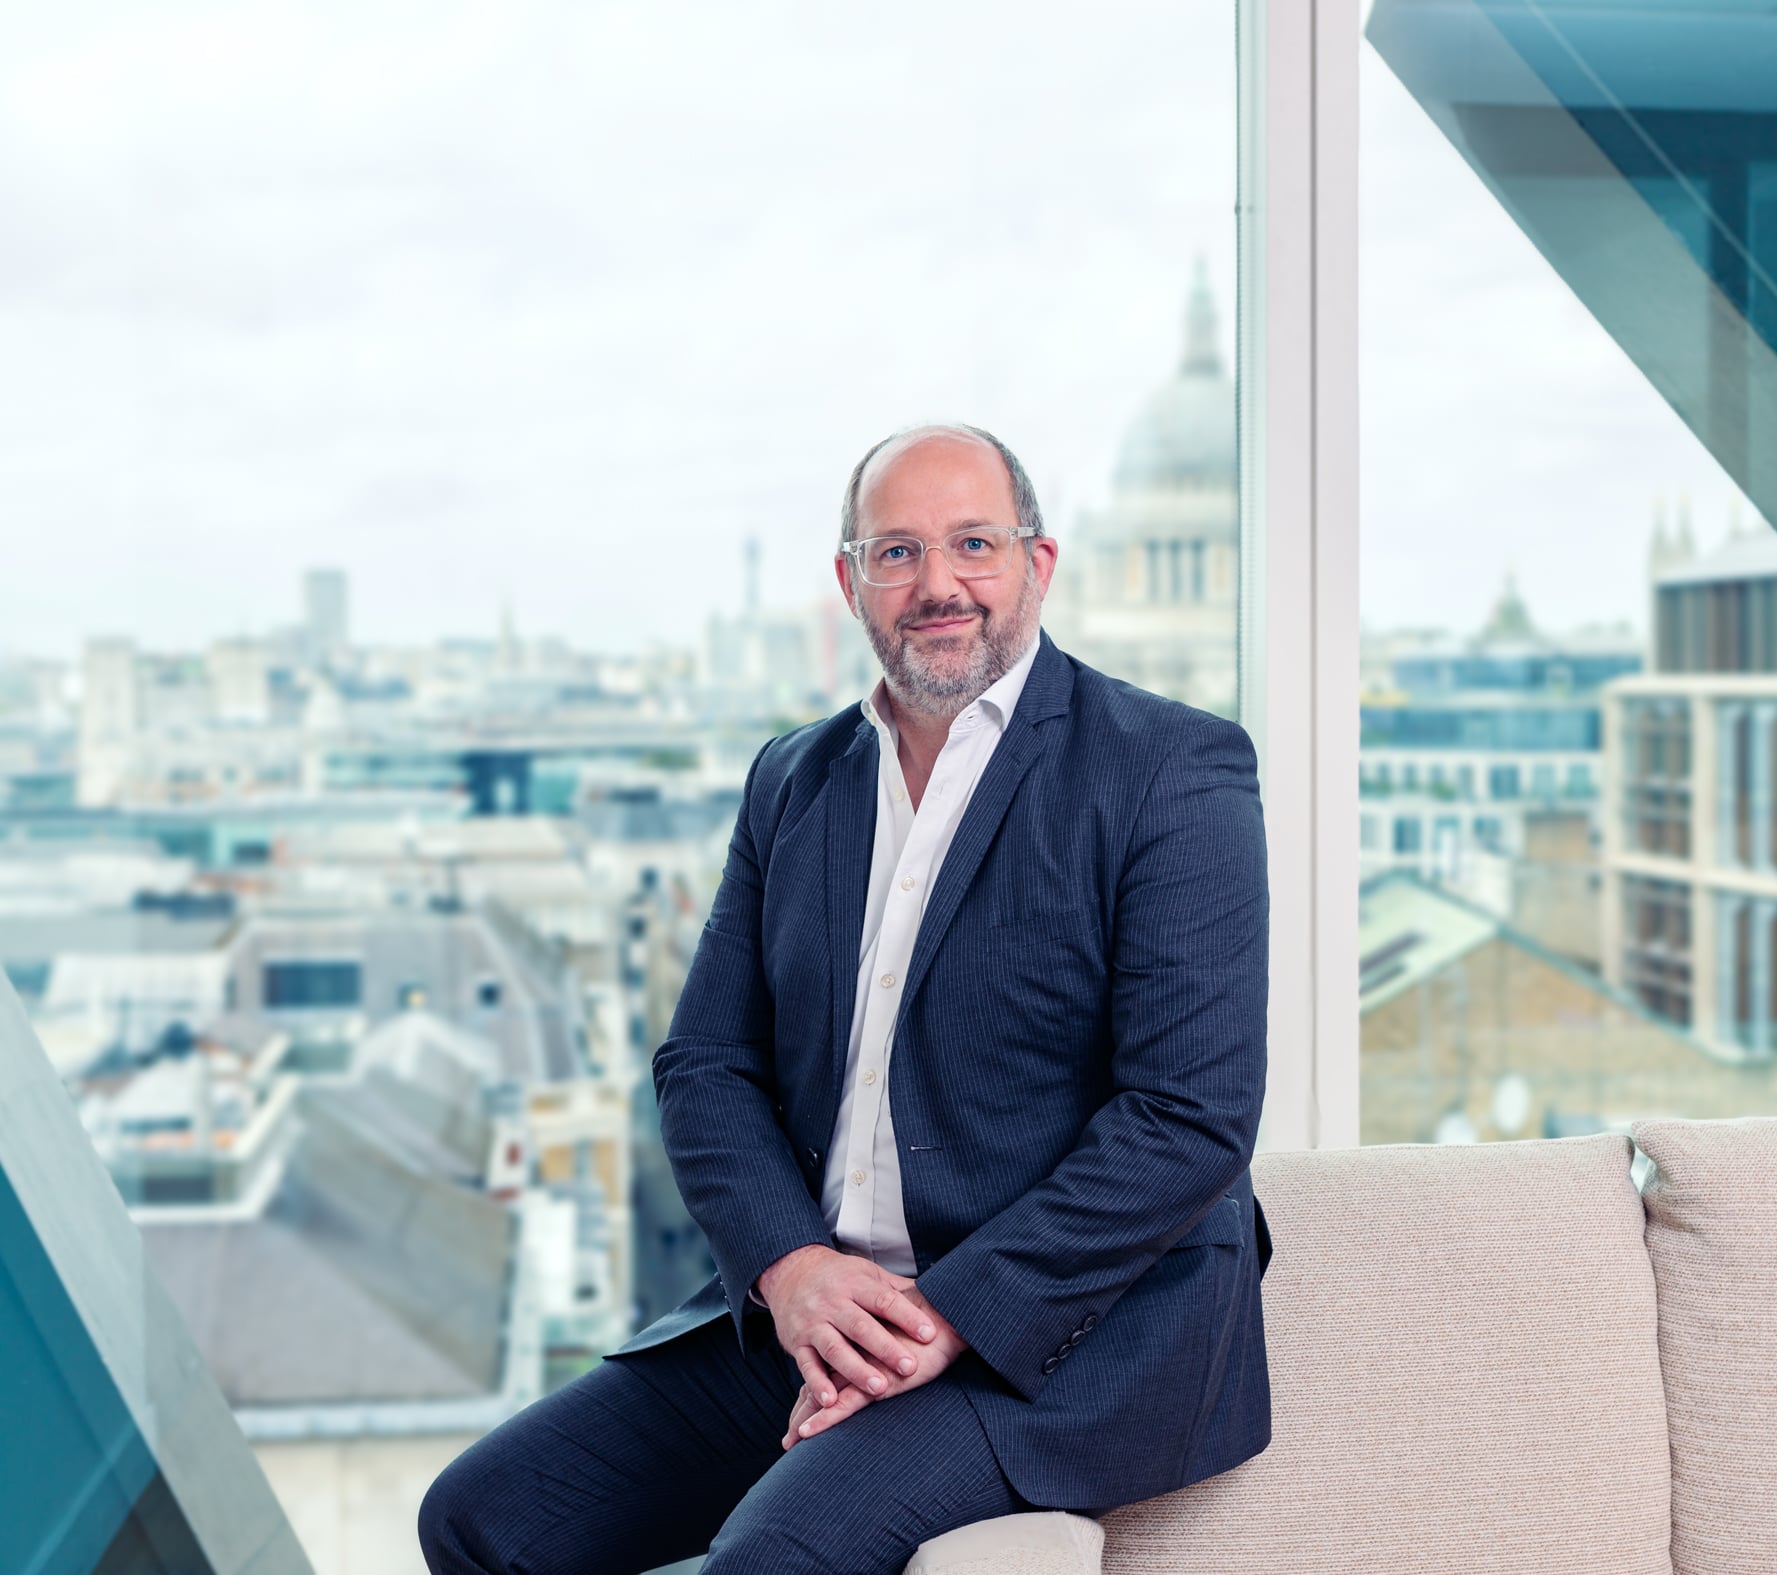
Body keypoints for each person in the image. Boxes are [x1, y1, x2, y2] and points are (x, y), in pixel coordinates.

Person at [419, 423, 1273, 1575]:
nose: (937, 584)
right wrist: (794, 1272)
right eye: (896, 552)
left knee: (769, 1563)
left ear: (1039, 562)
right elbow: (706, 1065)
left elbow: (1188, 1117)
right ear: (849, 580)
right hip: (817, 1305)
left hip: (1051, 1332)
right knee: (481, 1520)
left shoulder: (1169, 768)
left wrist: (944, 1317)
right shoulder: (794, 778)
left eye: (974, 543)